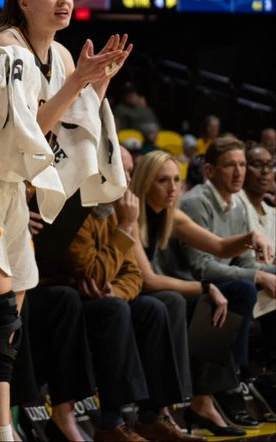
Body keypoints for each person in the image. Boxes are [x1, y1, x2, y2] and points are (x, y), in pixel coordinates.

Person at [0, 0, 129, 442]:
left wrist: (98, 79)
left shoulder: (65, 56)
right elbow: (27, 135)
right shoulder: (6, 48)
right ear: (23, 0)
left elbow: (73, 122)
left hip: (8, 193)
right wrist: (78, 82)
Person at [51, 148, 200, 442]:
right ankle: (111, 422)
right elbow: (93, 274)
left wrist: (116, 290)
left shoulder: (112, 207)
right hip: (69, 299)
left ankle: (153, 415)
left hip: (103, 297)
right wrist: (124, 227)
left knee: (155, 308)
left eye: (130, 172)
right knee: (116, 311)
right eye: (122, 170)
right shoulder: (76, 209)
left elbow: (134, 275)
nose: (127, 179)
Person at [132, 149, 269, 437]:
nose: (173, 189)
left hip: (158, 291)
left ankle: (203, 400)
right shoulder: (133, 213)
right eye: (163, 181)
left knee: (219, 301)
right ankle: (168, 409)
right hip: (131, 292)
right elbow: (148, 281)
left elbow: (219, 246)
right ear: (145, 183)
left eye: (175, 180)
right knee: (191, 300)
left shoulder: (170, 213)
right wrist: (205, 287)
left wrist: (249, 238)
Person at [174, 135, 275, 430]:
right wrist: (257, 275)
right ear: (209, 171)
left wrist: (267, 271)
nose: (239, 172)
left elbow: (243, 261)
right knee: (242, 289)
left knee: (247, 285)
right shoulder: (195, 202)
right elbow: (201, 266)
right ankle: (230, 383)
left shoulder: (238, 205)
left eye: (243, 164)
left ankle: (250, 379)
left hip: (226, 284)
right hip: (191, 284)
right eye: (230, 165)